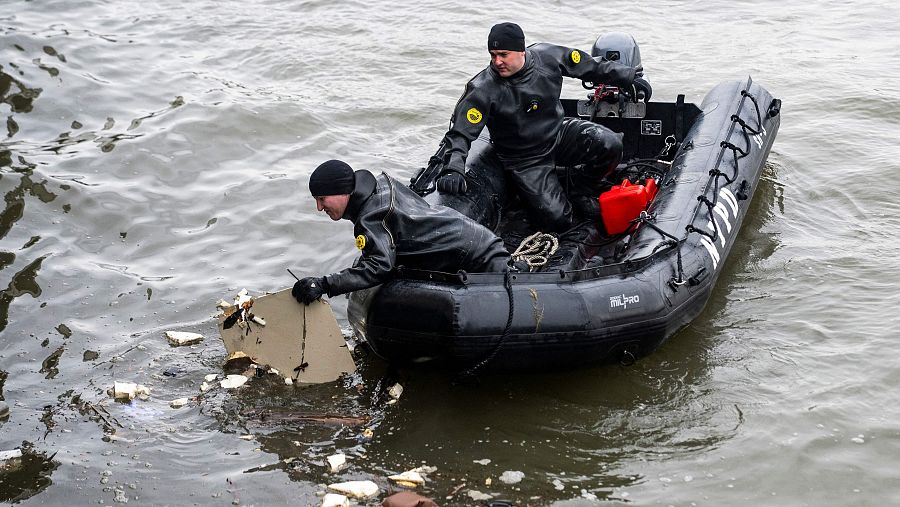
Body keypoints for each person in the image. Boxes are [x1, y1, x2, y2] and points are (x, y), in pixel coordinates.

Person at [434, 22, 650, 232]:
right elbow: (460, 133)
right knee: (559, 221)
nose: (497, 61)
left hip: (558, 134)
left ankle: (580, 190)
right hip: (525, 159)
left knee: (611, 145)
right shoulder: (482, 89)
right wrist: (453, 168)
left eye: (503, 54)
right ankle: (542, 195)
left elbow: (591, 66)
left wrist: (629, 77)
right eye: (493, 55)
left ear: (521, 51)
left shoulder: (547, 56)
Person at [292, 160, 511, 304]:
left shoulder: (371, 217)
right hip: (481, 240)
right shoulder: (380, 186)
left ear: (342, 191)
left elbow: (379, 267)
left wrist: (325, 284)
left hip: (479, 258)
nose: (319, 207)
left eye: (322, 199)